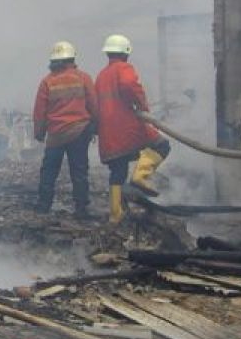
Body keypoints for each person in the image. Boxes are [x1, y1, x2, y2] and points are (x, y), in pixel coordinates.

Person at [95, 34, 172, 223]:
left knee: (118, 171)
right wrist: (142, 106)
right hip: (127, 126)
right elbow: (130, 85)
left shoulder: (101, 76)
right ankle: (140, 176)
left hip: (108, 132)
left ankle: (116, 214)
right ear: (126, 53)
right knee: (162, 145)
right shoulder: (123, 68)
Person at [32, 41, 97, 218]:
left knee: (49, 171)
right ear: (72, 58)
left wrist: (39, 133)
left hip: (56, 135)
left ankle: (44, 206)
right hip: (79, 132)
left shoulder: (47, 82)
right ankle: (81, 209)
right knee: (79, 171)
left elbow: (39, 112)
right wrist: (95, 126)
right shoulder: (83, 78)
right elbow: (93, 104)